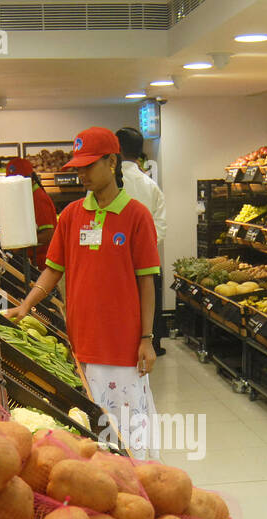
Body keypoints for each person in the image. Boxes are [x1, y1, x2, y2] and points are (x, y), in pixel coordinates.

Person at [3, 127, 161, 458]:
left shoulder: (137, 216)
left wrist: (147, 337)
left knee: (130, 438)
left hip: (123, 348)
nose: (82, 174)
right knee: (95, 438)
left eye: (89, 166)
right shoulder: (72, 215)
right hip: (82, 345)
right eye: (78, 167)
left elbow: (147, 281)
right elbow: (53, 268)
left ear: (112, 162)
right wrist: (26, 305)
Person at [115, 127, 168, 356]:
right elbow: (160, 227)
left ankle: (124, 345)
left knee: (120, 309)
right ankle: (150, 344)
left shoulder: (109, 185)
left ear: (116, 150)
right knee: (149, 305)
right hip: (148, 262)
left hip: (115, 263)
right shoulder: (151, 186)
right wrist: (143, 250)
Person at [4, 156, 58, 271]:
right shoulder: (27, 196)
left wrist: (21, 244)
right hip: (33, 263)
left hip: (44, 265)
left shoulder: (38, 198)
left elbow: (49, 234)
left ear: (30, 179)